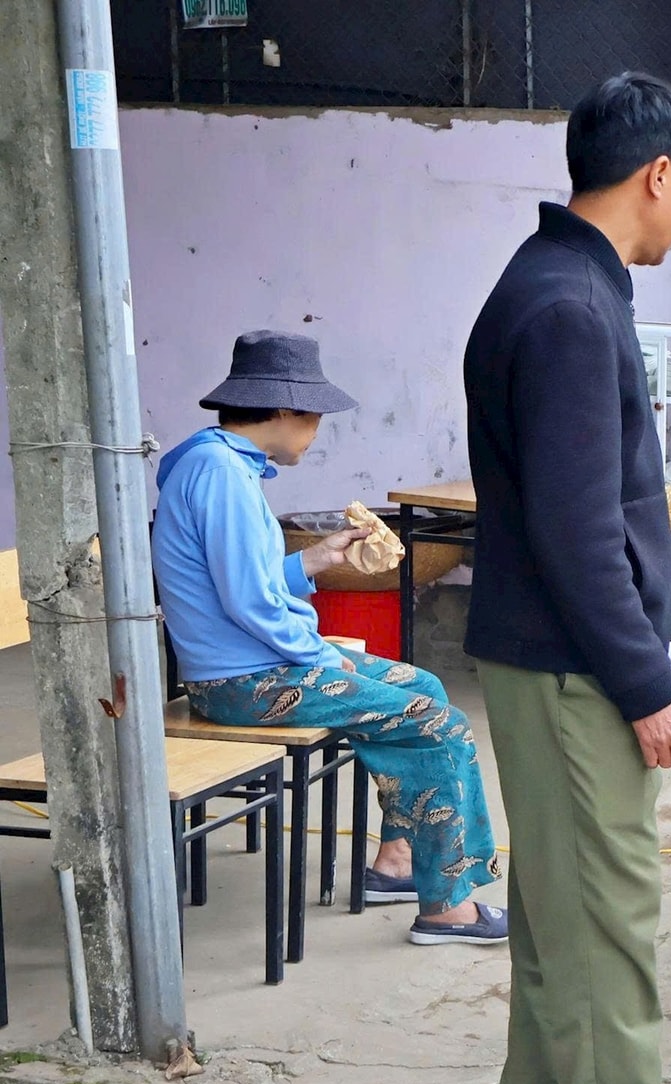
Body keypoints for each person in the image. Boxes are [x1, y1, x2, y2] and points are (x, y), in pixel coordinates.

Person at [462, 72, 671, 1084]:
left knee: (552, 909)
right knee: (610, 913)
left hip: (544, 657)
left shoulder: (559, 285)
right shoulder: (569, 308)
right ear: (655, 176)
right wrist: (648, 685)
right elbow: (578, 529)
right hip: (573, 669)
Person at [152, 330, 503, 945]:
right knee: (436, 721)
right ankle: (447, 909)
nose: (316, 431)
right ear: (286, 409)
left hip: (249, 668)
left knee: (420, 684)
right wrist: (319, 653)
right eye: (314, 416)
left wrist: (314, 559)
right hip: (245, 682)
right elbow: (250, 603)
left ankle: (396, 863)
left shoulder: (221, 464)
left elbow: (246, 584)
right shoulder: (220, 474)